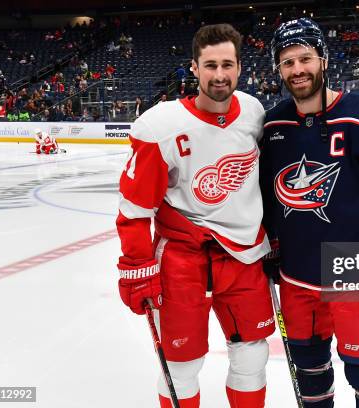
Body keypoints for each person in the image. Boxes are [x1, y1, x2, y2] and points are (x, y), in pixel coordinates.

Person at [260, 18, 359, 408]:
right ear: (278, 70)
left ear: (324, 59)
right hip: (297, 278)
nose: (297, 70)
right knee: (310, 376)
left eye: (305, 58)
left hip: (356, 274)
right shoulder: (274, 123)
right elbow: (267, 196)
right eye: (287, 62)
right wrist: (273, 242)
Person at [115, 24, 274, 408]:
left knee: (252, 355)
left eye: (227, 65)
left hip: (245, 255)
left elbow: (267, 184)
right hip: (183, 259)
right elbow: (135, 209)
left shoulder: (254, 112)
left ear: (239, 67)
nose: (219, 75)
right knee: (182, 363)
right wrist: (137, 266)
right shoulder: (162, 126)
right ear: (194, 68)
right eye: (210, 65)